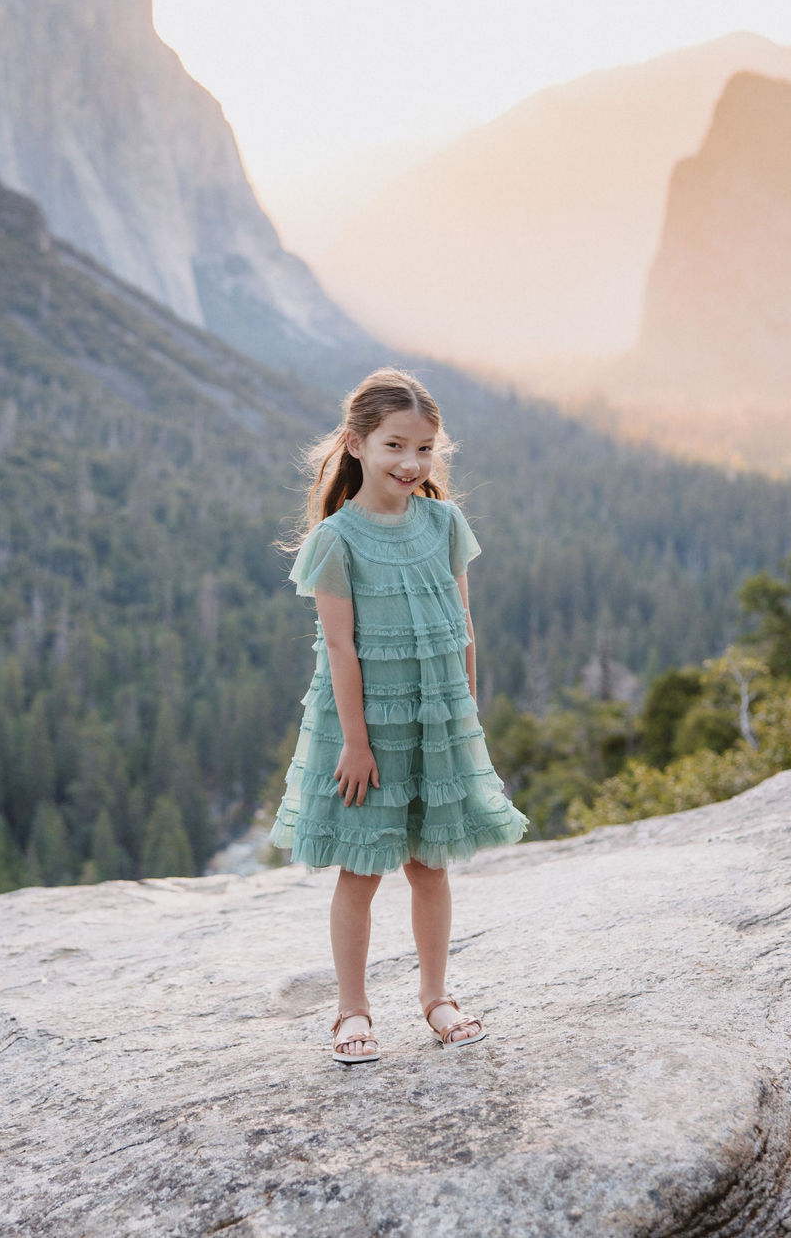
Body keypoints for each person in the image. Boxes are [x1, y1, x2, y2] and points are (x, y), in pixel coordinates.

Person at [270, 367, 528, 1063]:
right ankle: (351, 1011)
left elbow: (462, 625)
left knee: (428, 864)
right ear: (355, 444)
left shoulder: (446, 523)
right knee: (362, 868)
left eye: (424, 447)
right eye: (394, 446)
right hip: (365, 727)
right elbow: (341, 651)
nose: (411, 463)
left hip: (433, 719)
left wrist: (464, 720)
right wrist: (355, 742)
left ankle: (437, 997)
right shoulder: (336, 540)